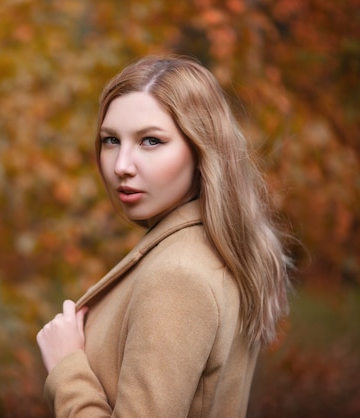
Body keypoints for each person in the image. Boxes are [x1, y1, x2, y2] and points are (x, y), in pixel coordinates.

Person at [36, 55, 292, 417]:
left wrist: (67, 371)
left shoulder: (178, 277)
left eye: (151, 141)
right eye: (111, 140)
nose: (122, 165)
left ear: (201, 149)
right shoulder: (200, 250)